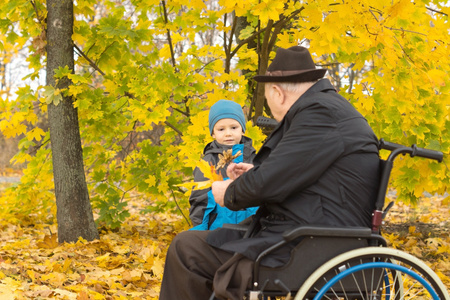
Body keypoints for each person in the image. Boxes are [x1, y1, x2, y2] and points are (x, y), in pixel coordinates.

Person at [159, 46, 380, 300]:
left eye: (266, 98)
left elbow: (273, 179)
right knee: (205, 240)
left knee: (186, 249)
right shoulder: (326, 111)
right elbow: (294, 171)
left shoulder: (320, 114)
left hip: (312, 245)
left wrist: (227, 192)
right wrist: (255, 172)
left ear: (277, 92)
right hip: (315, 234)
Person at [189, 99, 257, 230]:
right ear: (213, 133)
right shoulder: (208, 162)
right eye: (221, 129)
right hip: (218, 230)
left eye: (233, 127)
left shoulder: (255, 159)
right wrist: (200, 231)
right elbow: (199, 199)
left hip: (251, 231)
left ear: (242, 130)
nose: (228, 133)